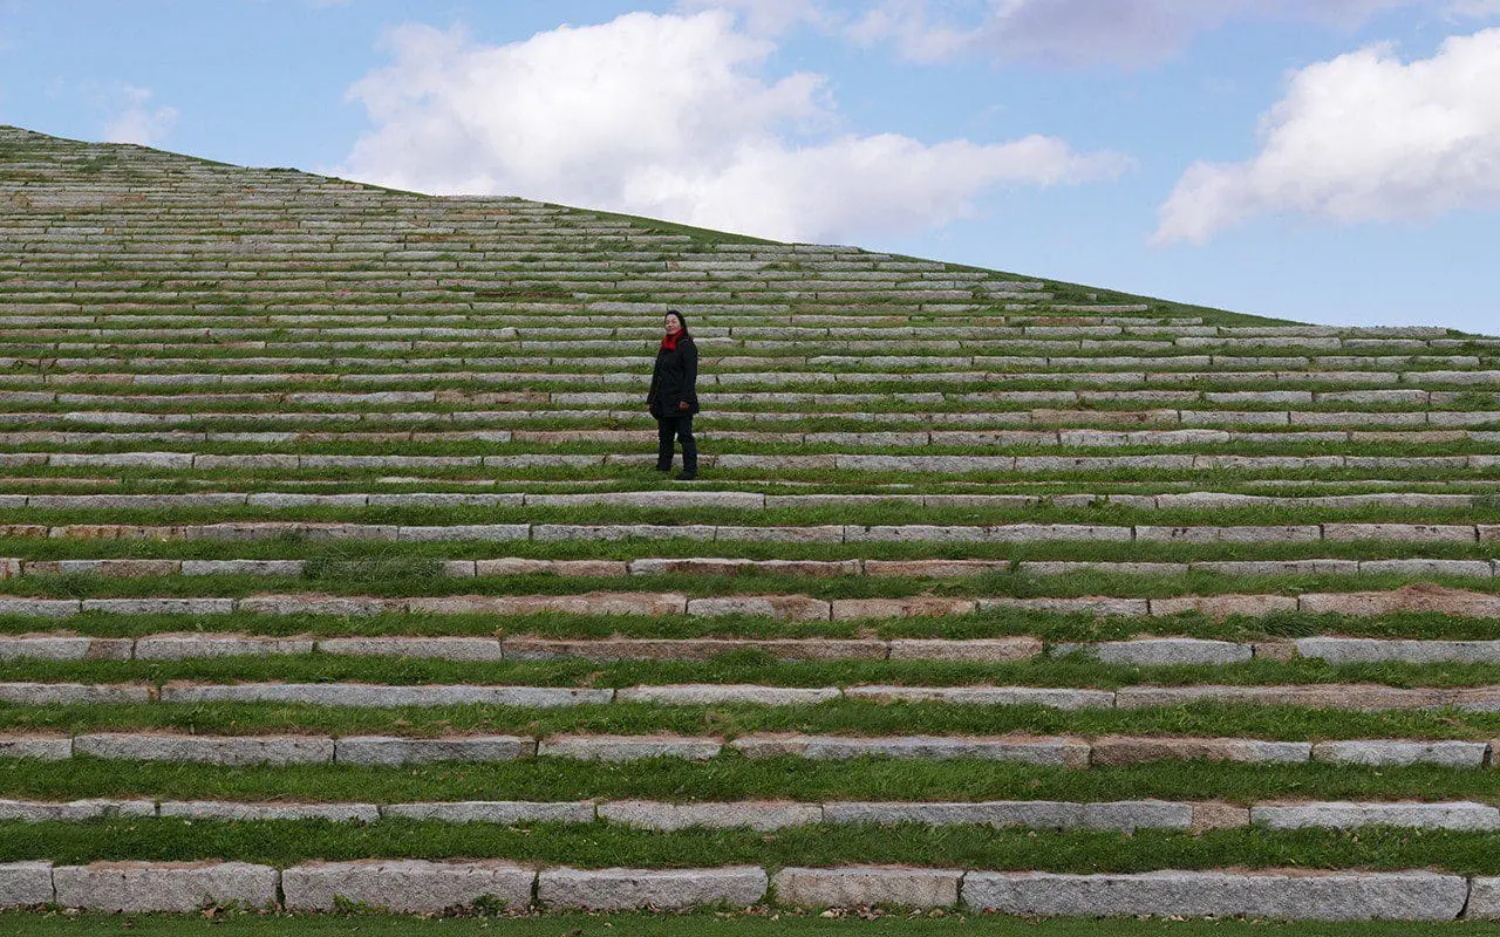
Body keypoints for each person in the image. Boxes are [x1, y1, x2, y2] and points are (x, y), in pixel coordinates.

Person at [647, 309, 699, 480]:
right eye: (667, 322)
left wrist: (686, 398)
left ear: (681, 324)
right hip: (663, 399)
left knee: (684, 435)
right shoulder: (665, 346)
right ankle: (664, 466)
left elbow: (691, 375)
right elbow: (657, 373)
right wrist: (651, 398)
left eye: (673, 321)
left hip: (680, 400)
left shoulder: (686, 345)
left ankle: (690, 469)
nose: (670, 324)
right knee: (665, 435)